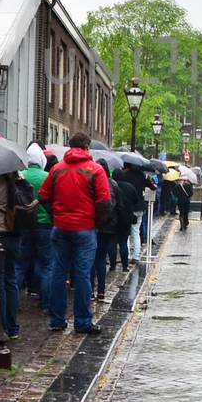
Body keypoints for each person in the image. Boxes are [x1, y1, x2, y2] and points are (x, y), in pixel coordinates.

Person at [38, 134, 112, 335]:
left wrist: (55, 215)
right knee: (82, 275)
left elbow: (43, 196)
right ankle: (82, 322)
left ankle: (57, 320)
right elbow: (104, 201)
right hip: (85, 228)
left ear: (70, 147)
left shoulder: (56, 169)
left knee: (58, 273)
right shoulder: (95, 170)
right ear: (87, 147)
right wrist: (96, 222)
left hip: (60, 228)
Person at [96, 163, 140, 301]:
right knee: (121, 243)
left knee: (100, 255)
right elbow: (129, 202)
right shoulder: (119, 186)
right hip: (115, 222)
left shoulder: (97, 183)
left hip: (98, 224)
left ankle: (113, 266)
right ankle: (124, 266)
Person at [0, 169, 35, 338]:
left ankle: (0, 324)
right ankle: (12, 326)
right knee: (10, 279)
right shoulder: (18, 182)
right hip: (14, 234)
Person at [21, 145, 52, 301]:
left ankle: (15, 303)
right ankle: (45, 301)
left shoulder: (20, 175)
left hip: (24, 224)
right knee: (45, 264)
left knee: (20, 264)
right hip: (45, 224)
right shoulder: (47, 176)